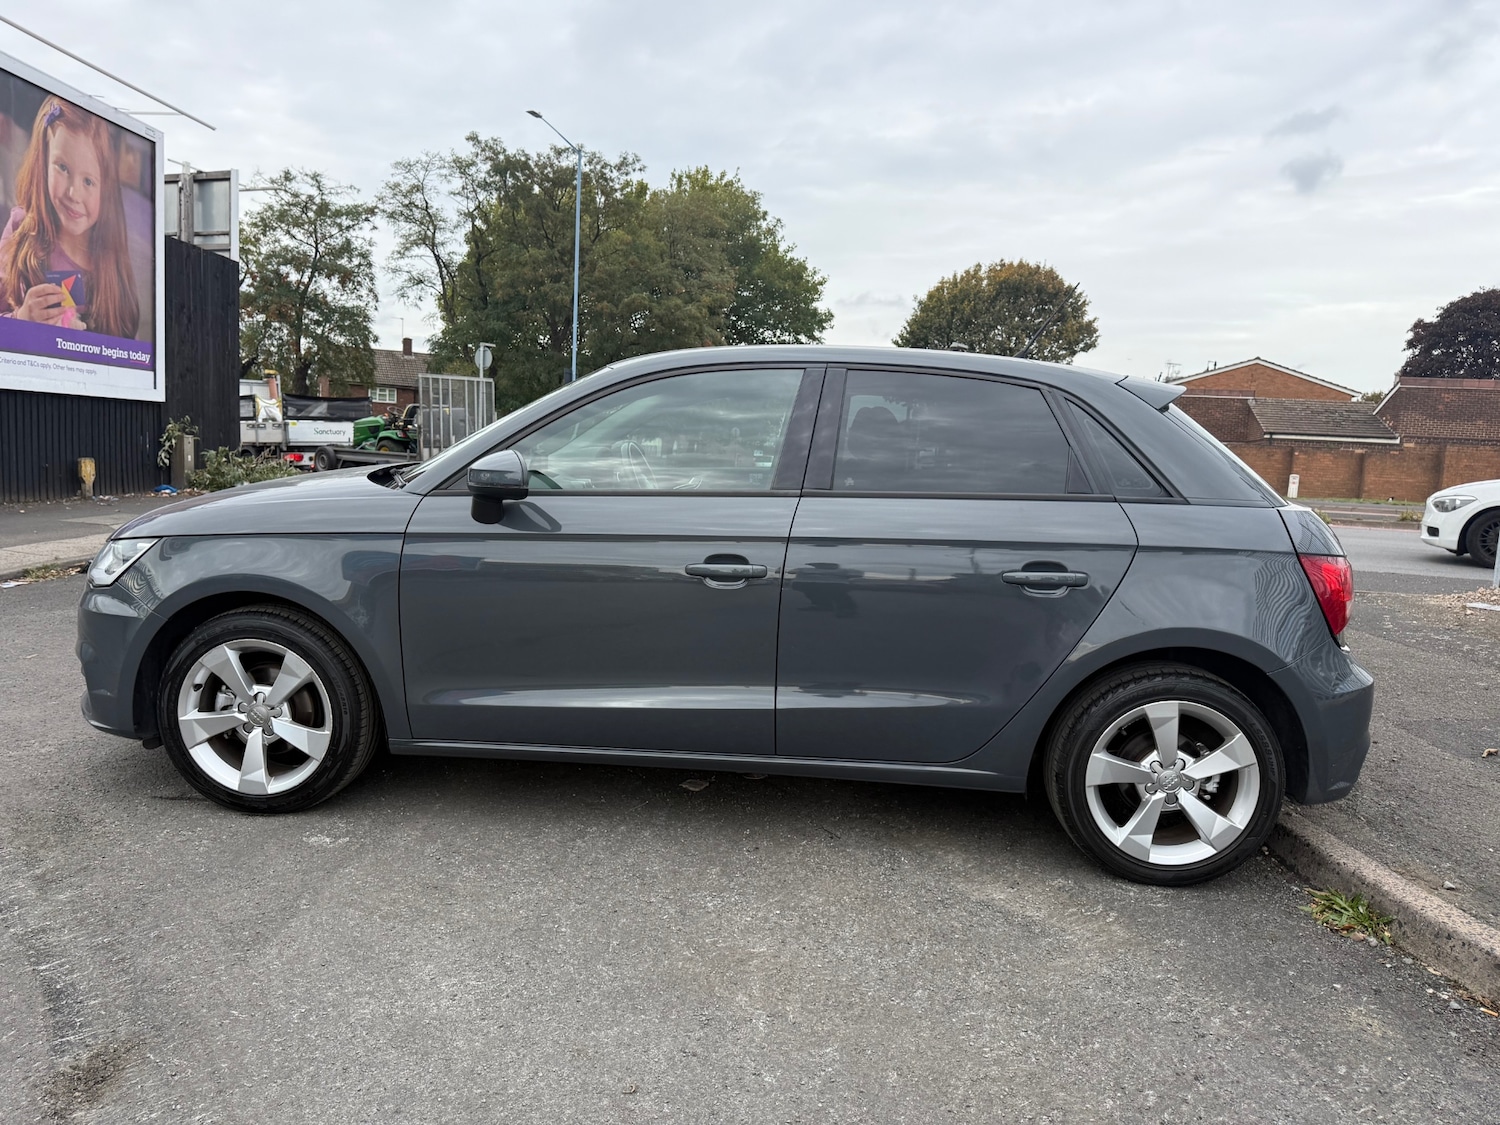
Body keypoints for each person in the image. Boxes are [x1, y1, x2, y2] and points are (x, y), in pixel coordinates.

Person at [0, 96, 139, 338]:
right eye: (62, 168)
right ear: (42, 161)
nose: (74, 194)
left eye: (88, 181)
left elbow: (126, 335)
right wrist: (22, 320)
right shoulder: (22, 227)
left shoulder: (110, 255)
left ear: (106, 191)